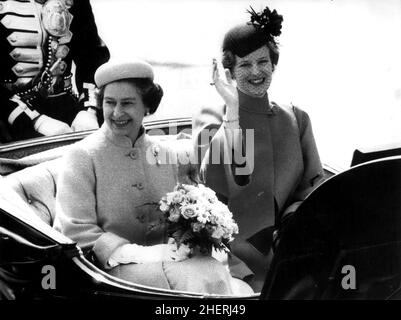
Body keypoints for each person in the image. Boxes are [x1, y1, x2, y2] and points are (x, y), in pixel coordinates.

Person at [54, 59, 253, 295]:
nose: (117, 113)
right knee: (203, 276)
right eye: (109, 103)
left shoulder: (164, 152)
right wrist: (144, 254)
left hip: (170, 262)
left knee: (220, 277)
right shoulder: (82, 156)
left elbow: (217, 163)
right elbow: (75, 231)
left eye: (127, 103)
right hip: (112, 273)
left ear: (147, 107)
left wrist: (232, 108)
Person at [193, 6, 325, 291]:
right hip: (232, 257)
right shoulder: (212, 118)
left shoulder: (296, 118)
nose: (256, 72)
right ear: (228, 72)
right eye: (244, 65)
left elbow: (312, 187)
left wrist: (292, 224)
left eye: (263, 62)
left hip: (291, 246)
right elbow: (210, 189)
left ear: (274, 64)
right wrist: (234, 111)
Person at [0, 0, 110, 143]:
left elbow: (92, 58)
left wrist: (89, 110)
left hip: (68, 110)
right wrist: (35, 121)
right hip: (9, 118)